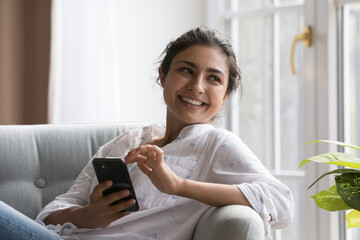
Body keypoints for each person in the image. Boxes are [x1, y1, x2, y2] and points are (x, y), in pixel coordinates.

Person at [0, 27, 293, 240]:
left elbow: (281, 202)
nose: (197, 86)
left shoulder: (216, 143)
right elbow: (50, 213)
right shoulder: (129, 141)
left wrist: (178, 186)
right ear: (162, 75)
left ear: (225, 95)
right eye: (187, 71)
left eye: (213, 78)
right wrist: (88, 215)